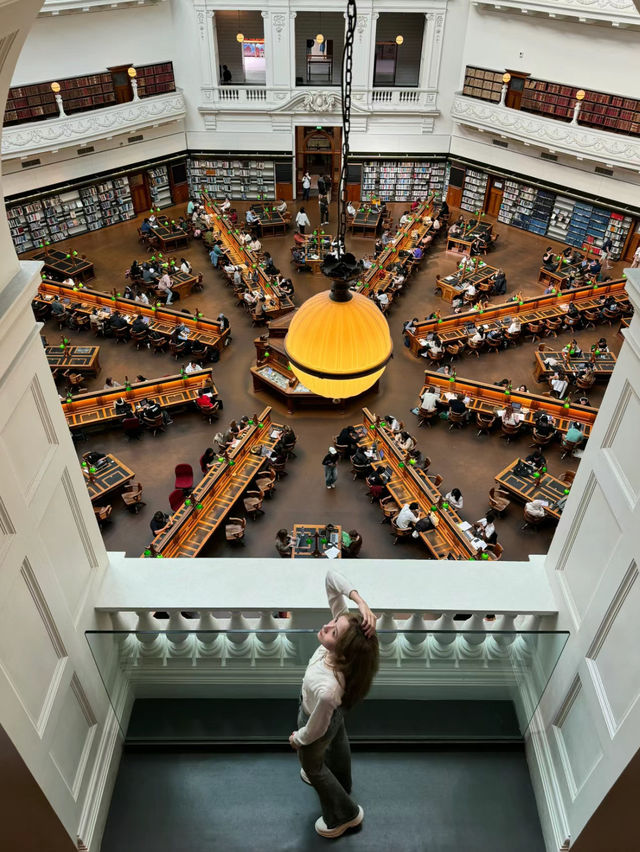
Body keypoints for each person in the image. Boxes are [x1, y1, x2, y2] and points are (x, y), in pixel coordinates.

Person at [289, 569, 377, 838]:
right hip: (332, 716)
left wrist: (299, 739)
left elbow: (315, 728)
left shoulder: (328, 689)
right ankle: (343, 781)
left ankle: (344, 815)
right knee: (338, 743)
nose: (327, 626)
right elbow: (330, 577)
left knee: (313, 768)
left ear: (343, 652)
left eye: (333, 633)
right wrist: (360, 602)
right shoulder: (343, 658)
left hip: (315, 716)